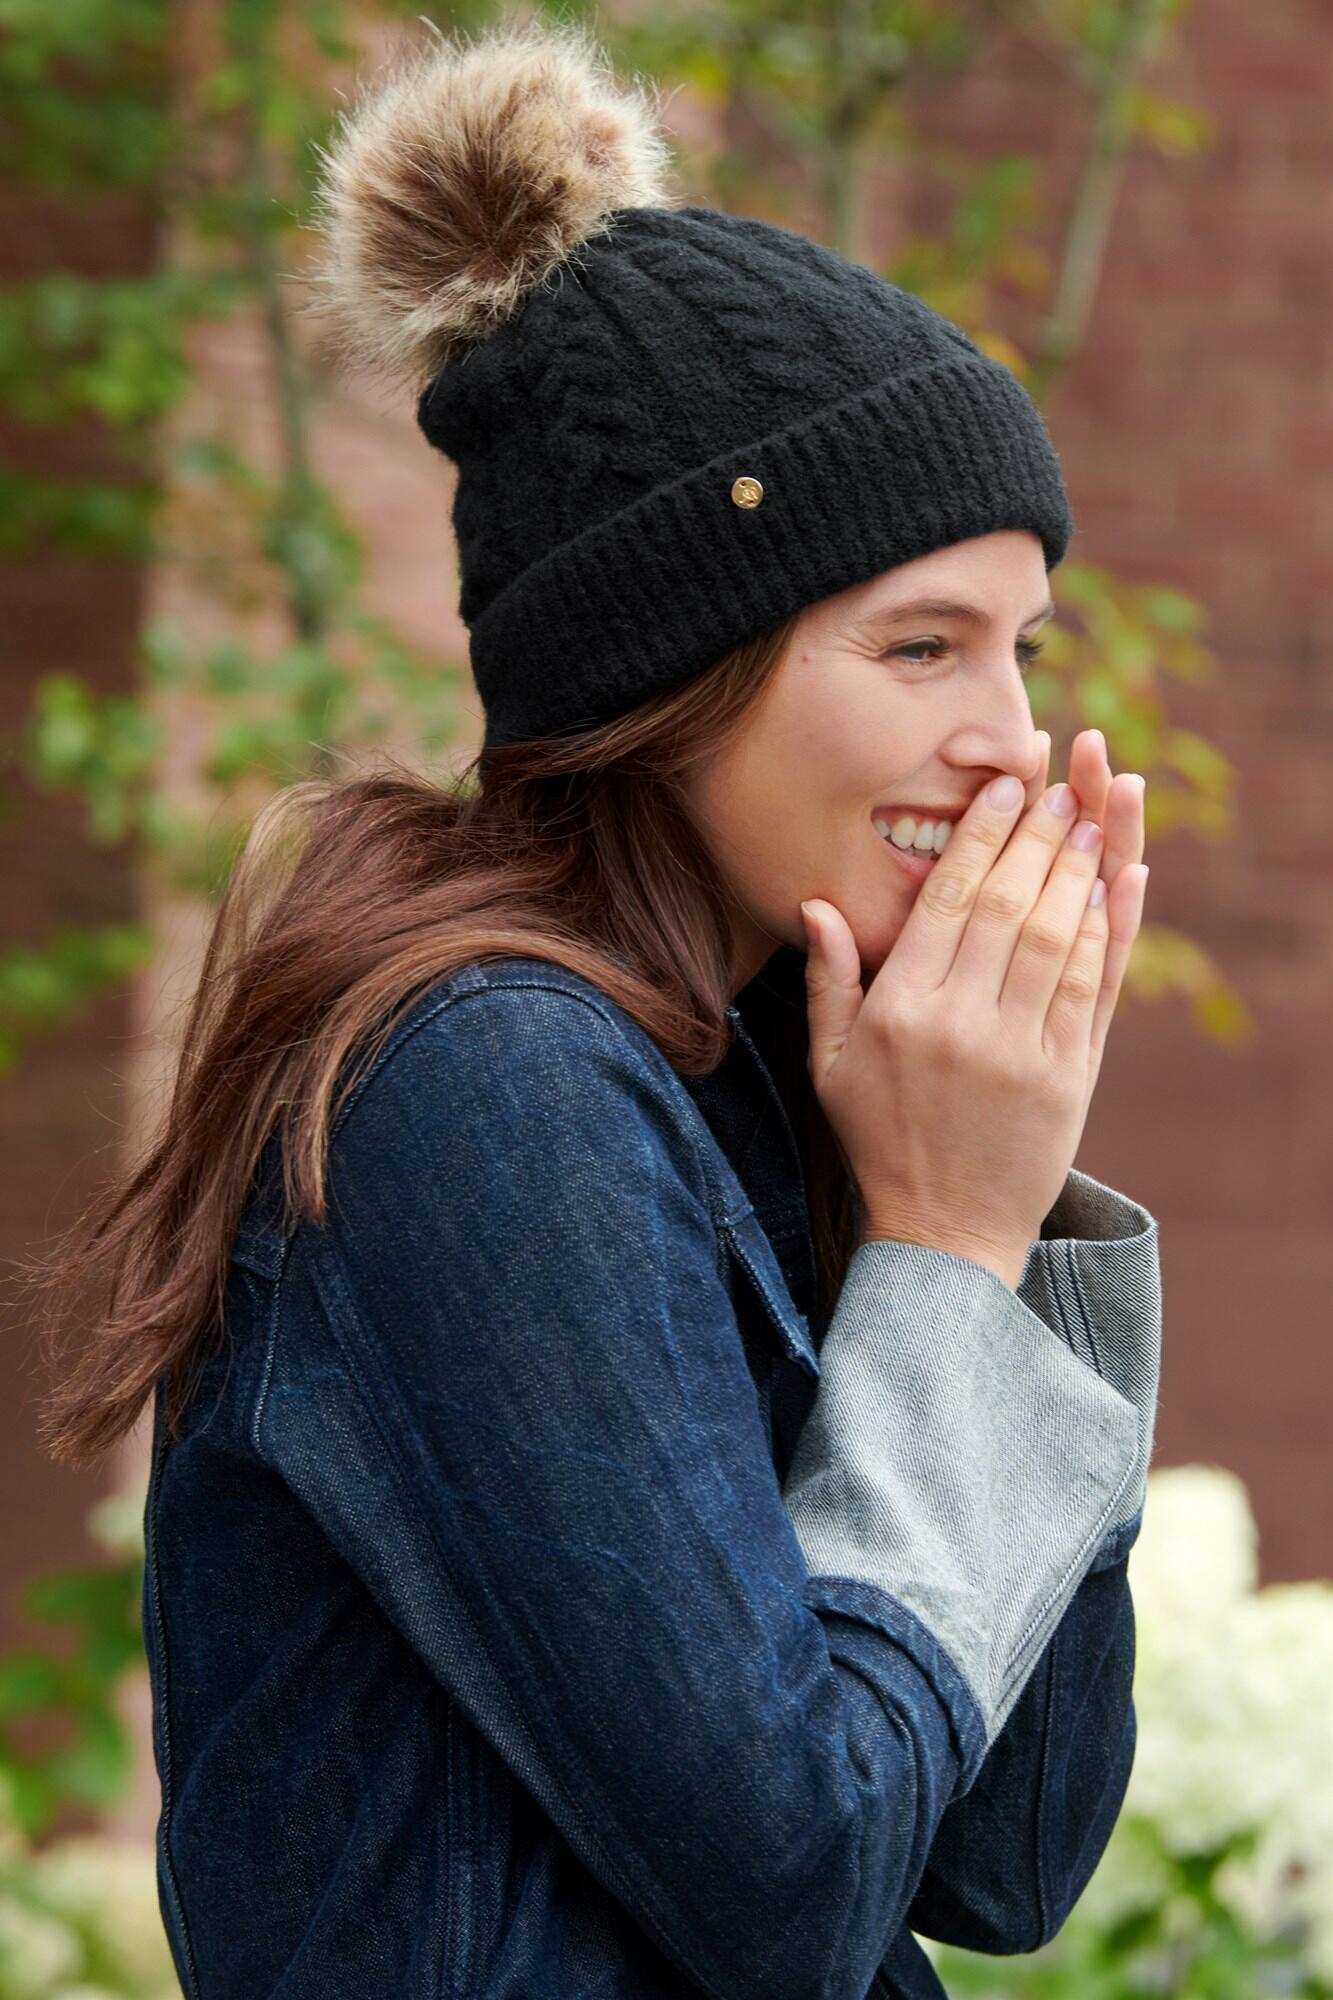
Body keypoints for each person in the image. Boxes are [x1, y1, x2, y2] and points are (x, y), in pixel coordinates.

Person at [35, 17, 1159, 1999]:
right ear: (676, 663)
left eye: (1020, 647)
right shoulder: (485, 1081)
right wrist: (956, 1251)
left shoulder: (743, 1079)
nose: (1008, 740)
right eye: (921, 646)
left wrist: (1008, 1211)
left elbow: (1009, 1847)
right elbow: (796, 1876)